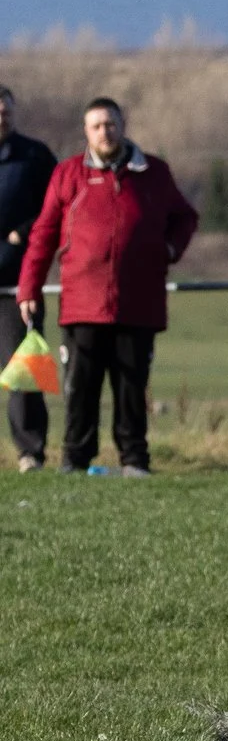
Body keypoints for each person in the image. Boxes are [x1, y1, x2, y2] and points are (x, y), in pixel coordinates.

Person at [14, 98, 197, 477]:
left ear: (122, 125)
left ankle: (134, 460)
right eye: (96, 126)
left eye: (111, 124)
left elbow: (185, 217)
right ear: (86, 131)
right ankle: (75, 460)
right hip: (82, 303)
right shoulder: (68, 175)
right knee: (80, 388)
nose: (104, 132)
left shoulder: (154, 173)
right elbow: (43, 235)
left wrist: (169, 249)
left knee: (131, 387)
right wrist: (28, 288)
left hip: (138, 302)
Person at [0, 87, 61, 471]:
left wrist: (23, 231)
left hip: (17, 285)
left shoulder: (35, 157)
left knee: (23, 368)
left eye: (5, 113)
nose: (1, 118)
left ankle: (30, 452)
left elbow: (57, 207)